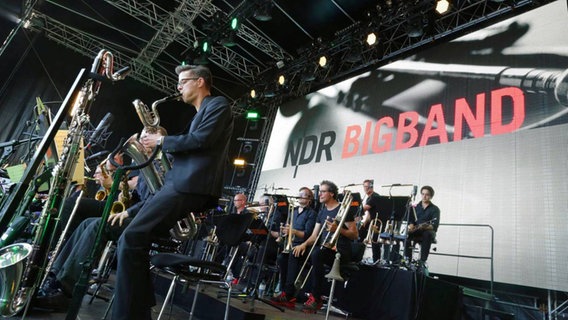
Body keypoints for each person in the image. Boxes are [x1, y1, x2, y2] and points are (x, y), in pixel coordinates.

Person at [112, 64, 234, 320]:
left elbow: (201, 140)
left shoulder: (218, 104)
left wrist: (162, 141)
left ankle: (129, 314)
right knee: (135, 239)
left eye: (183, 82)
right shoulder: (201, 113)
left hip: (189, 185)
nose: (178, 88)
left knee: (132, 238)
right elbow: (193, 141)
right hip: (179, 184)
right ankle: (139, 309)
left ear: (200, 82)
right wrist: (161, 140)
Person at [35, 127, 168, 310]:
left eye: (148, 136)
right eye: (142, 135)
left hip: (145, 218)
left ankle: (66, 291)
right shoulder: (144, 165)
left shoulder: (165, 164)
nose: (143, 139)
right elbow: (130, 188)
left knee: (97, 225)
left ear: (160, 139)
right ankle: (57, 276)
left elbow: (156, 198)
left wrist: (127, 207)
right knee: (85, 222)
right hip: (136, 212)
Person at [294, 180, 358, 312]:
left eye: (323, 192)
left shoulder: (344, 209)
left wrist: (338, 229)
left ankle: (316, 298)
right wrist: (303, 245)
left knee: (317, 253)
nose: (320, 194)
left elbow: (354, 235)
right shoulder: (322, 212)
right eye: (320, 191)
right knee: (296, 253)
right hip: (325, 249)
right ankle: (289, 294)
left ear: (332, 194)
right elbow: (314, 236)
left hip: (340, 251)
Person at [271, 187, 316, 307]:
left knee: (292, 256)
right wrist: (284, 232)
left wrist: (293, 231)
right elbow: (288, 228)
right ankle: (283, 290)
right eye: (299, 194)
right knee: (281, 258)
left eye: (304, 194)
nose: (300, 196)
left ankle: (289, 293)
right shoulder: (293, 211)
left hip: (303, 246)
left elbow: (307, 234)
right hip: (290, 244)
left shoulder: (311, 214)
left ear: (309, 199)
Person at [405, 185, 440, 265]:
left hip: (428, 231)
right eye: (423, 194)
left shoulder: (435, 209)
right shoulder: (415, 207)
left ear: (431, 196)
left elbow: (434, 226)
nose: (424, 196)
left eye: (427, 194)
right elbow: (411, 221)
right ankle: (407, 259)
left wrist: (425, 227)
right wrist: (411, 226)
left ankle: (422, 261)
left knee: (427, 234)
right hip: (416, 230)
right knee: (406, 235)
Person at [359, 179, 383, 263]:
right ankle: (358, 257)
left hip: (377, 222)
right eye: (364, 186)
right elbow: (369, 213)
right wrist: (365, 223)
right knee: (360, 234)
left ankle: (376, 260)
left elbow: (364, 209)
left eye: (366, 187)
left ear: (371, 187)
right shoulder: (369, 197)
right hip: (371, 220)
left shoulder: (374, 197)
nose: (365, 189)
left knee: (374, 241)